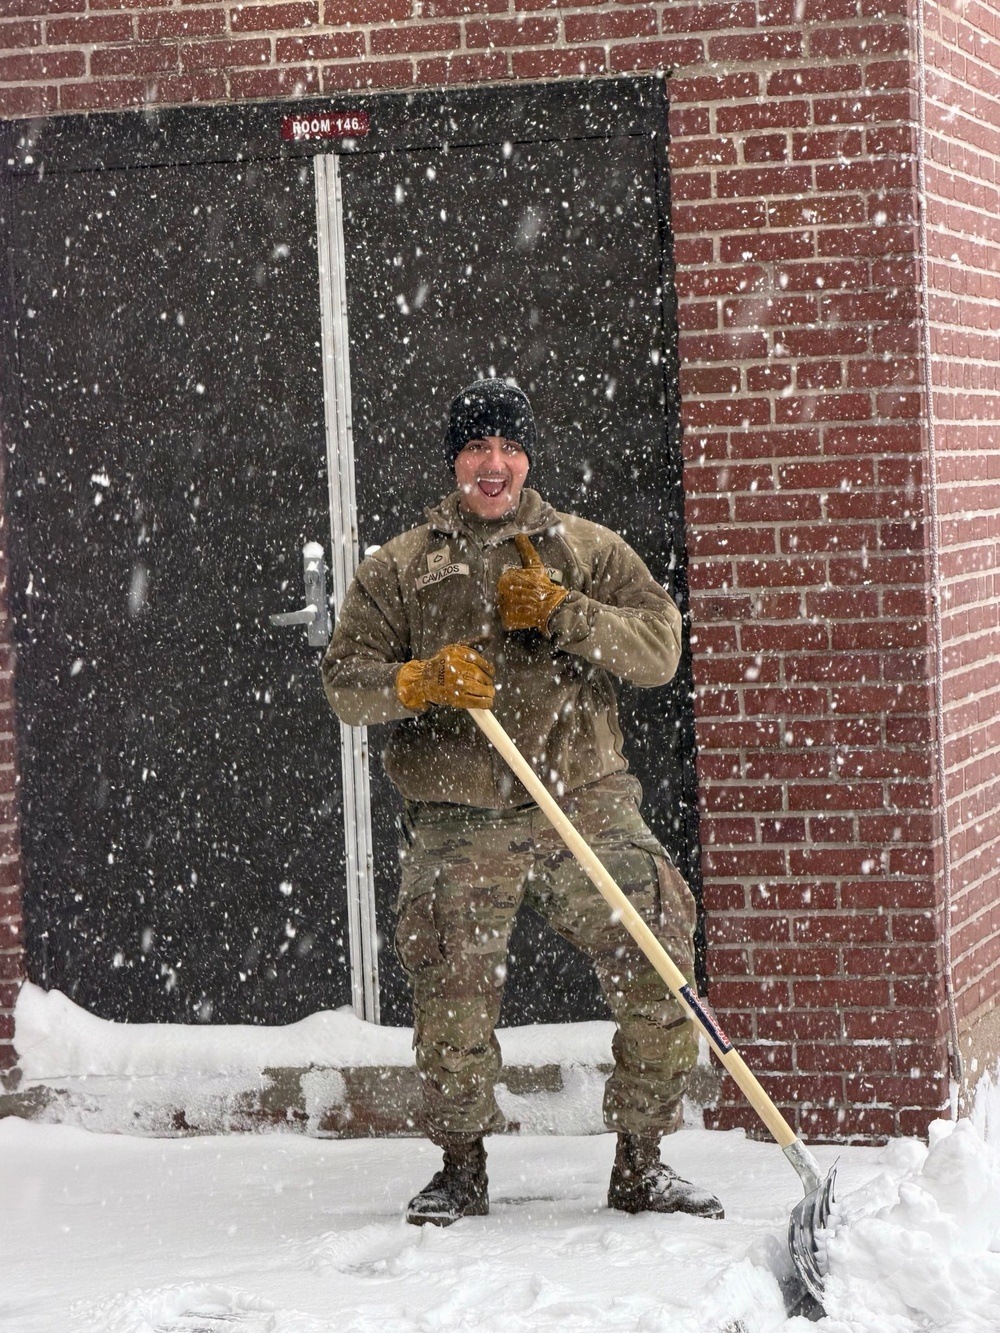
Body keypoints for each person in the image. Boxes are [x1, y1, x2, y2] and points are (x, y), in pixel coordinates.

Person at [322, 378, 723, 1226]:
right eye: (476, 448)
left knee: (659, 958)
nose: (492, 464)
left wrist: (568, 613)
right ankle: (461, 1165)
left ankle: (642, 1161)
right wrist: (418, 680)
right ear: (455, 462)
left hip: (587, 803)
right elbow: (345, 684)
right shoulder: (402, 567)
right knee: (452, 996)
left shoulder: (583, 550)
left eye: (507, 447)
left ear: (527, 457)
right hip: (462, 819)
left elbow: (659, 650)